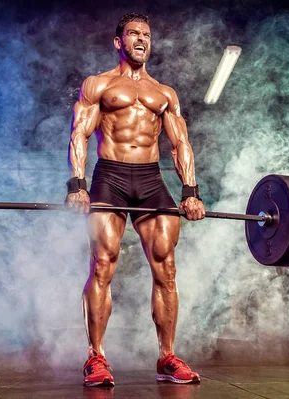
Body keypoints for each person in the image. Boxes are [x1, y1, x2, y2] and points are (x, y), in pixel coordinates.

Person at [66, 12, 205, 387]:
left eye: (146, 34)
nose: (141, 39)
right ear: (119, 42)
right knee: (102, 264)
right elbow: (80, 134)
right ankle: (96, 356)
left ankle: (167, 357)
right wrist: (77, 184)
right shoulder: (98, 85)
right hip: (109, 175)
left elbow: (180, 144)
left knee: (167, 268)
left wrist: (190, 192)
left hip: (150, 178)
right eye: (133, 33)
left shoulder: (165, 93)